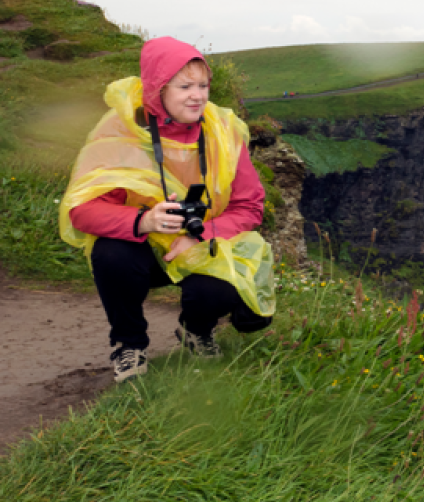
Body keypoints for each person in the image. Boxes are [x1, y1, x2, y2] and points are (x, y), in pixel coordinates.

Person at [59, 37, 275, 382]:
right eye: (185, 86)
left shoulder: (222, 131)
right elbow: (82, 210)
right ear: (158, 89)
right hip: (142, 249)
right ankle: (129, 344)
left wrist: (202, 235)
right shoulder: (119, 131)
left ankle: (196, 331)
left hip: (197, 245)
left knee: (221, 289)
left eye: (203, 85)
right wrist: (143, 220)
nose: (198, 95)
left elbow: (249, 205)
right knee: (110, 253)